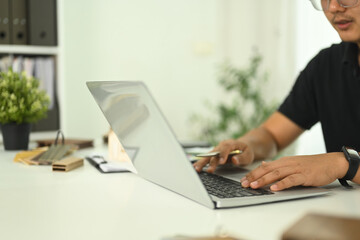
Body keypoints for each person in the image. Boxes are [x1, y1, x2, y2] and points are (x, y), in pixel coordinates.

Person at [193, 0, 360, 191]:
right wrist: (245, 146)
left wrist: (343, 164)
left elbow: (341, 165)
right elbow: (272, 135)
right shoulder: (326, 65)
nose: (333, 8)